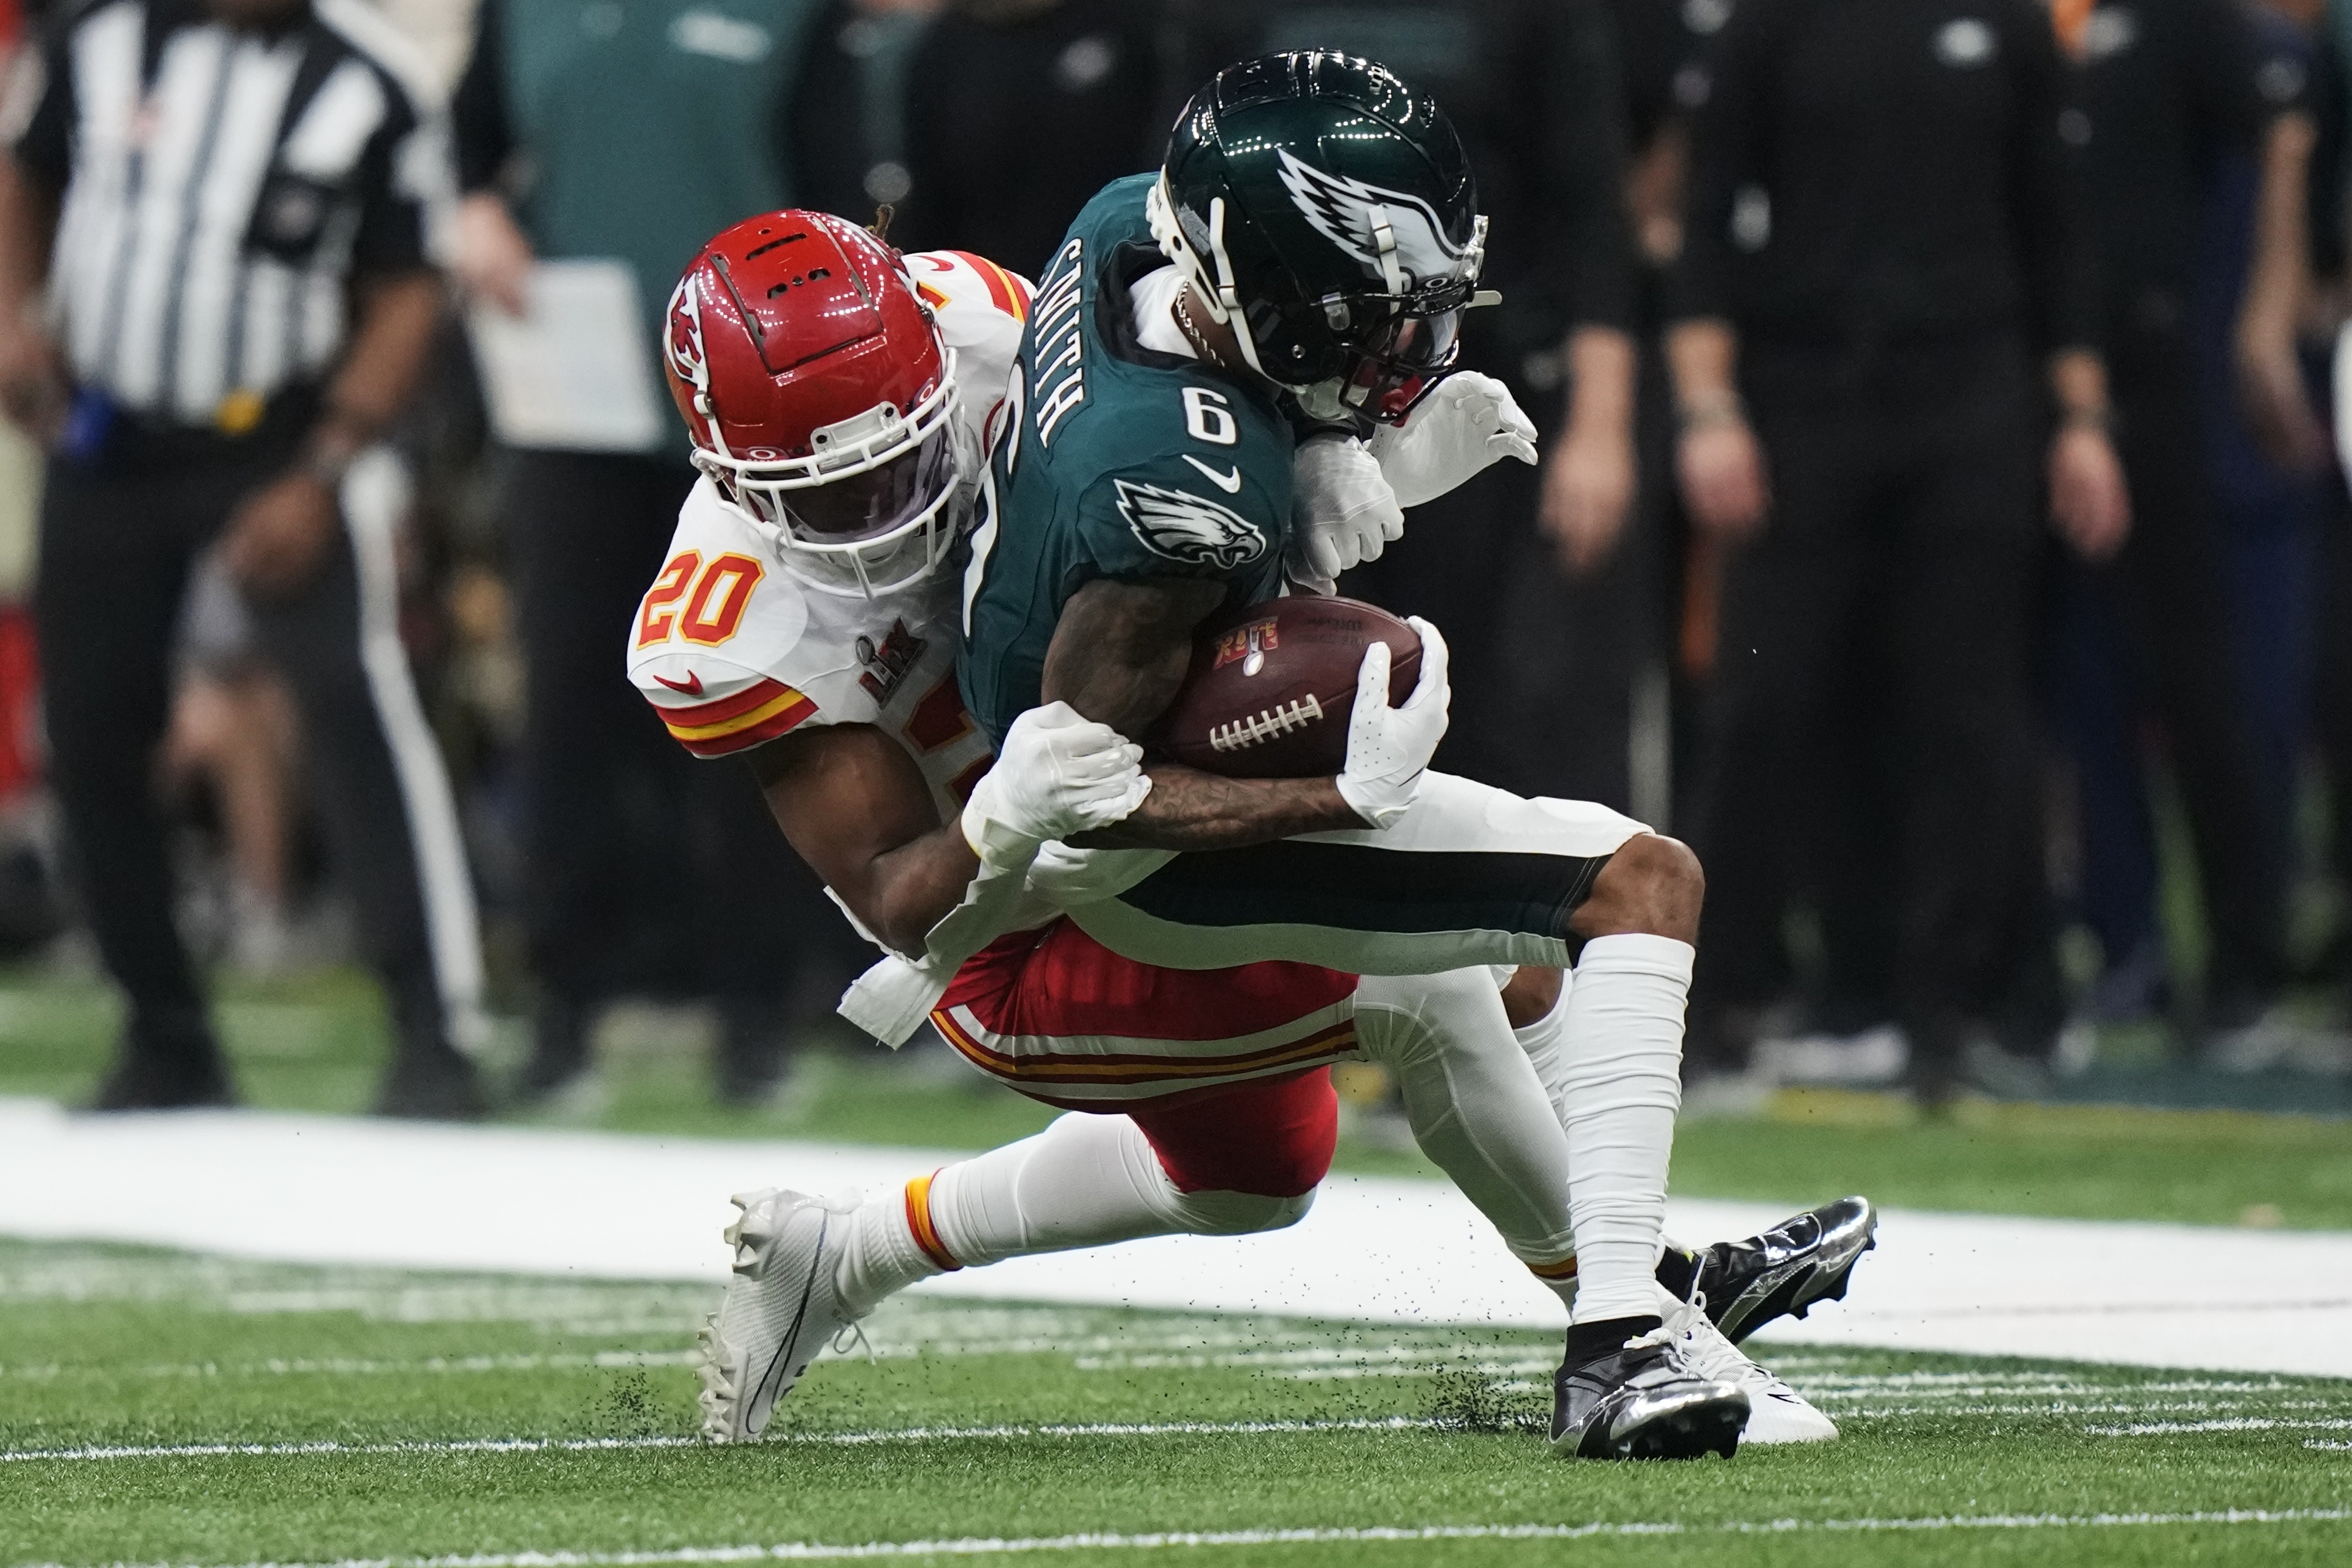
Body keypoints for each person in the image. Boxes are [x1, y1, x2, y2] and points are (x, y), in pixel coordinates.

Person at [632, 208, 1872, 1456]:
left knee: (1257, 1172)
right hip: (1012, 929)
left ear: (925, 360)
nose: (878, 512)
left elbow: (1158, 451)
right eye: (828, 490)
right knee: (1438, 975)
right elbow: (903, 898)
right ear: (723, 468)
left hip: (1160, 803)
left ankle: (839, 1252)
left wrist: (1327, 455)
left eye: (899, 463)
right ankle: (1646, 1319)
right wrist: (1004, 809)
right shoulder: (722, 625)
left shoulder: (975, 317)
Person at [0, 0, 485, 1116]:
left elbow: (408, 285)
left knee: (353, 707)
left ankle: (435, 1032)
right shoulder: (99, 40)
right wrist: (21, 323)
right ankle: (163, 1034)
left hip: (280, 438)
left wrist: (327, 465)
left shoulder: (370, 79)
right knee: (87, 727)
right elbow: (26, 174)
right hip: (109, 436)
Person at [1665, 0, 2133, 1099]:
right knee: (1762, 704)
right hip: (1802, 393)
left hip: (1972, 392)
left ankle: (1949, 1009)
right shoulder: (1768, 29)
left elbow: (2057, 225)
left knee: (1967, 711)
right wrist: (1707, 407)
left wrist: (2082, 421)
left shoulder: (2009, 25)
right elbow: (1705, 216)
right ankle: (1711, 1000)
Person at [449, 0, 855, 1104]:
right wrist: (478, 212)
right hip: (572, 398)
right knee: (570, 708)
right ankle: (565, 1013)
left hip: (751, 417)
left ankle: (756, 1018)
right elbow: (469, 143)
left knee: (754, 699)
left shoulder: (795, 17)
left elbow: (842, 201)